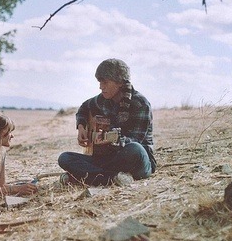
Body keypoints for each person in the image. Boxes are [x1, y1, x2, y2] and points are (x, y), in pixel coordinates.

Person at [58, 58, 157, 186]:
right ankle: (112, 178)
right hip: (108, 159)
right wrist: (81, 127)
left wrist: (112, 139)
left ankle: (84, 177)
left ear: (120, 82)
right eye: (100, 82)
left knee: (134, 149)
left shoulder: (140, 104)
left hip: (135, 161)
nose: (100, 87)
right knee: (65, 158)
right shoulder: (103, 99)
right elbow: (83, 108)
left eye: (105, 82)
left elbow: (136, 140)